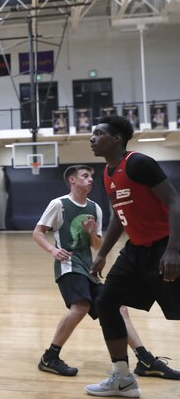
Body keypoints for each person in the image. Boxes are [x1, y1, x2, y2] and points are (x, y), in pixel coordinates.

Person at [33, 165, 178, 381]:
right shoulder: (59, 204)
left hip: (88, 267)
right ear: (72, 180)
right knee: (81, 306)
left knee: (119, 307)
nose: (90, 179)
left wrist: (92, 233)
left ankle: (144, 359)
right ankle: (49, 357)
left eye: (92, 176)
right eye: (85, 176)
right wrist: (53, 250)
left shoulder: (95, 208)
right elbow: (37, 232)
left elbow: (97, 245)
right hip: (68, 266)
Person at [85, 115, 180, 397]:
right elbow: (118, 215)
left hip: (165, 248)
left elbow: (175, 202)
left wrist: (174, 249)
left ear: (116, 139)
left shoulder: (139, 163)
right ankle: (123, 377)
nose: (92, 138)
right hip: (135, 251)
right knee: (105, 302)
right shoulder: (107, 173)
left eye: (98, 133)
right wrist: (102, 253)